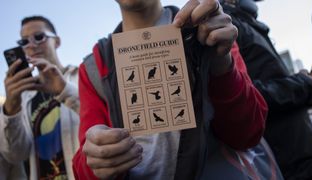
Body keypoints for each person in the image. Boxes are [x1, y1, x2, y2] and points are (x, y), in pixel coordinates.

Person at [72, 0, 270, 179]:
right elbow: (83, 166)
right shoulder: (93, 67)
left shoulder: (208, 28)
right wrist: (95, 161)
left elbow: (249, 133)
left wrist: (221, 64)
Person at [220, 0, 312, 179]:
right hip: (286, 162)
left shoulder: (246, 23)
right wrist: (305, 85)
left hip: (303, 153)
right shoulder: (226, 28)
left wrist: (307, 85)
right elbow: (248, 98)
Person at [0, 16, 80, 179]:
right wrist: (11, 109)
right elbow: (15, 155)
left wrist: (64, 91)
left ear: (57, 41)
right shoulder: (24, 97)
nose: (31, 45)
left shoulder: (80, 77)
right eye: (24, 42)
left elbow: (102, 118)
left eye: (39, 37)